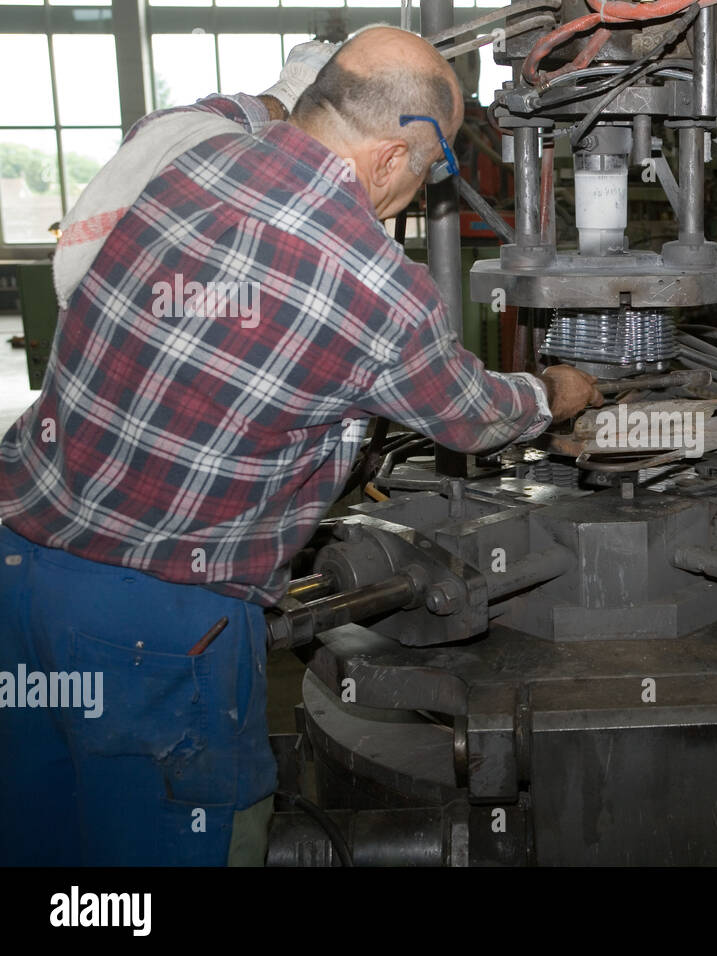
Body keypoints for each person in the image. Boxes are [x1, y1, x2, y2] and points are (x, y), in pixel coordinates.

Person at [0, 26, 600, 866]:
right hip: (158, 624)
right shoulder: (373, 283)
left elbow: (236, 110)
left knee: (40, 838)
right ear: (393, 157)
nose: (421, 193)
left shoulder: (194, 151)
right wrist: (559, 392)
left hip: (21, 573)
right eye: (434, 172)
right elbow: (468, 416)